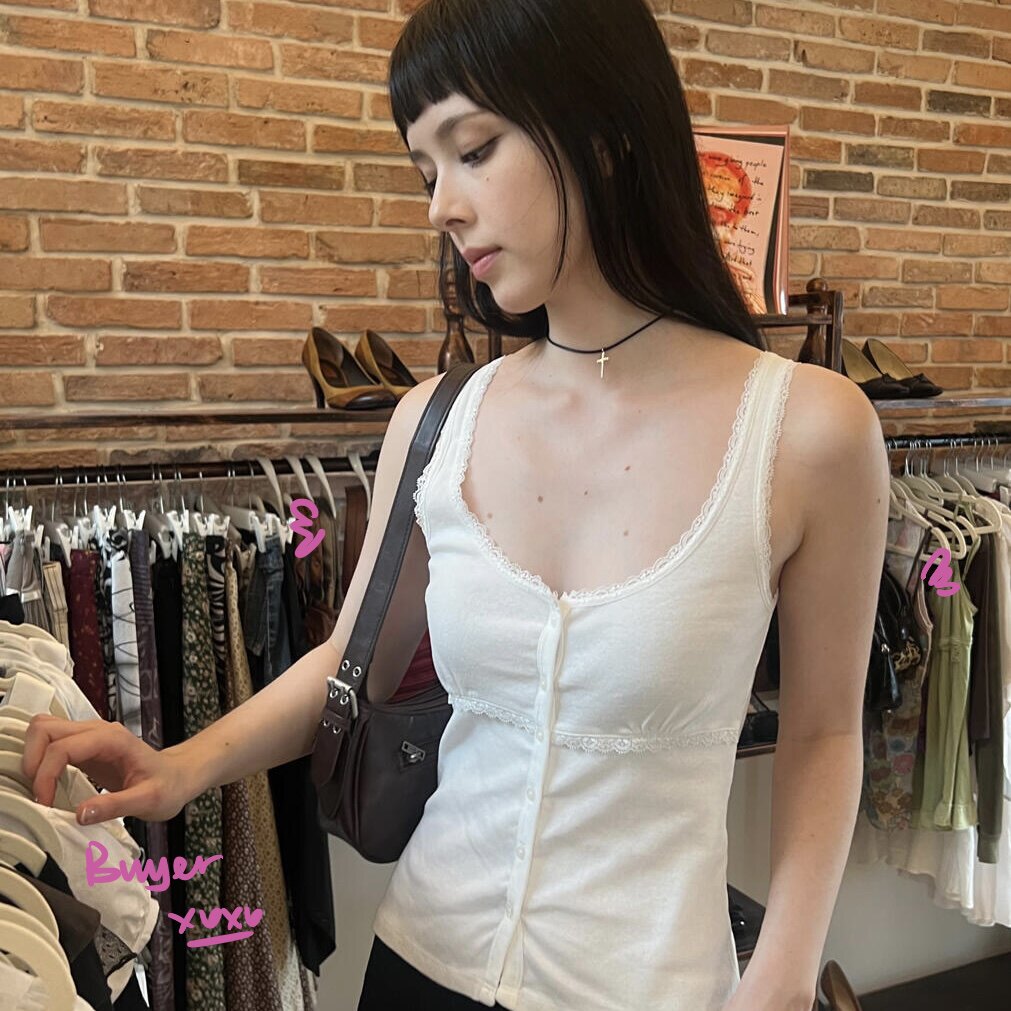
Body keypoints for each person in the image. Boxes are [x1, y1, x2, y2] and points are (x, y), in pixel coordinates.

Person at [22, 1, 891, 1008]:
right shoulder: (437, 421)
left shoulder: (807, 432)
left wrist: (783, 969)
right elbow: (349, 662)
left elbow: (824, 732)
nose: (441, 206)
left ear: (604, 132)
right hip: (420, 965)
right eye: (426, 172)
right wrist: (177, 767)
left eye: (473, 150)